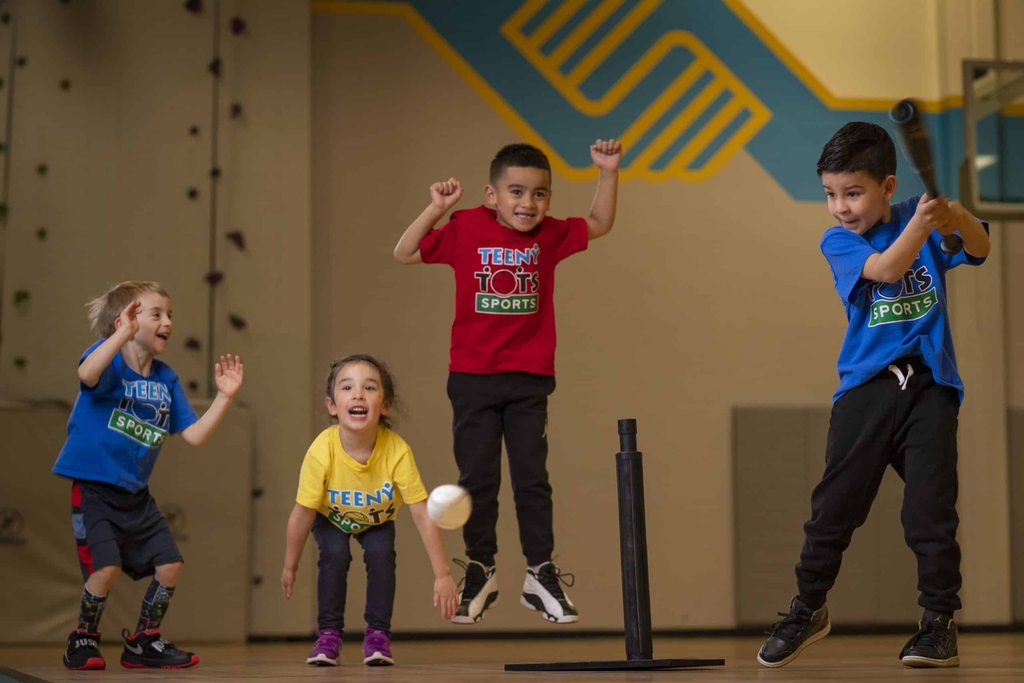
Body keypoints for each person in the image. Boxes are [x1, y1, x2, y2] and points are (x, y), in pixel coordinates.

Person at [757, 122, 990, 669]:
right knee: (834, 511)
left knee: (931, 513)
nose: (840, 206)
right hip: (867, 389)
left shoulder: (920, 215)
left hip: (931, 388)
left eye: (853, 193)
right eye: (830, 194)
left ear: (888, 186)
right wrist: (923, 225)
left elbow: (980, 246)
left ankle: (938, 623)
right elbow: (886, 270)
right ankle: (808, 610)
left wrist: (955, 218)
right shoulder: (839, 241)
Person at [392, 139, 623, 625]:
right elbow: (404, 251)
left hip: (529, 379)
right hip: (472, 378)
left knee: (531, 479)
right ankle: (482, 569)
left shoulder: (551, 235)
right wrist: (436, 210)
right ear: (491, 195)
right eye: (516, 191)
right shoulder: (465, 228)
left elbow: (600, 223)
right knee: (478, 480)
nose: (528, 203)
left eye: (540, 194)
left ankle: (540, 573)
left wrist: (607, 173)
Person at [54, 281, 244, 670]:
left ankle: (143, 641)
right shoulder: (108, 361)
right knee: (105, 569)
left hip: (135, 495)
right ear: (125, 321)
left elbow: (194, 435)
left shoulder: (165, 378)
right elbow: (87, 374)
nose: (167, 322)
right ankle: (84, 638)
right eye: (156, 314)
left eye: (169, 315)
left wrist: (224, 397)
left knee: (170, 565)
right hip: (94, 490)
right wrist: (119, 336)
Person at [281, 354, 458, 666]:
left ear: (384, 405)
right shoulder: (321, 451)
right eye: (347, 387)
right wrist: (290, 565)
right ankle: (328, 635)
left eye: (370, 388)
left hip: (377, 520)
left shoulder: (397, 451)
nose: (358, 395)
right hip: (331, 517)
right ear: (332, 405)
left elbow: (421, 513)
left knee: (381, 553)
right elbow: (302, 513)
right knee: (335, 553)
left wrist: (442, 574)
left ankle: (377, 635)